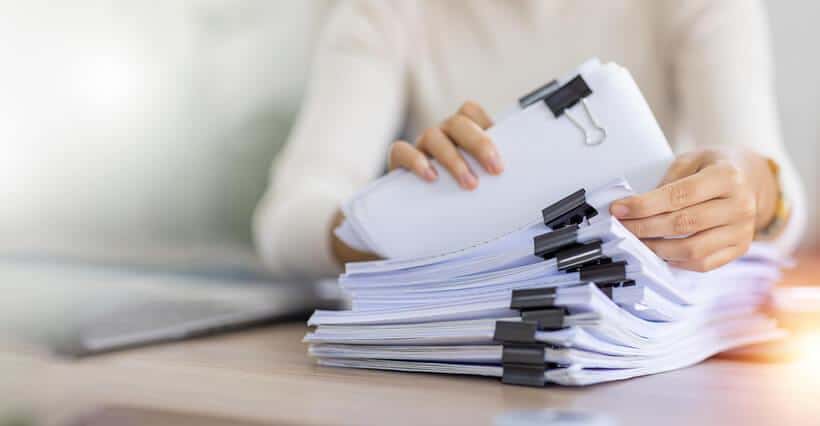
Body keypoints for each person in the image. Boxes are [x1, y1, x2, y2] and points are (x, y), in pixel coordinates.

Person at [253, 0, 806, 280]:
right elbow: (285, 222)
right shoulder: (386, 10)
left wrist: (754, 188)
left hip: (641, 335)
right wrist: (401, 219)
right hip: (464, 345)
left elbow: (782, 210)